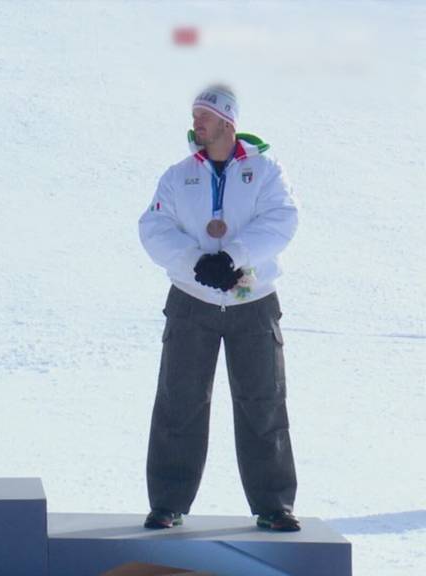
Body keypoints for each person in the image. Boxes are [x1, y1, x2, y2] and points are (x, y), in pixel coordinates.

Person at [138, 85, 300, 532]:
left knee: (263, 402)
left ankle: (274, 505)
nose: (196, 123)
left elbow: (282, 220)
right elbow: (153, 227)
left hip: (254, 301)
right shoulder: (177, 176)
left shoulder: (266, 170)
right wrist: (197, 264)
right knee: (179, 402)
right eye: (194, 115)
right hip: (193, 301)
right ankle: (168, 503)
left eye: (203, 116)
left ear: (227, 122)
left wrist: (233, 257)